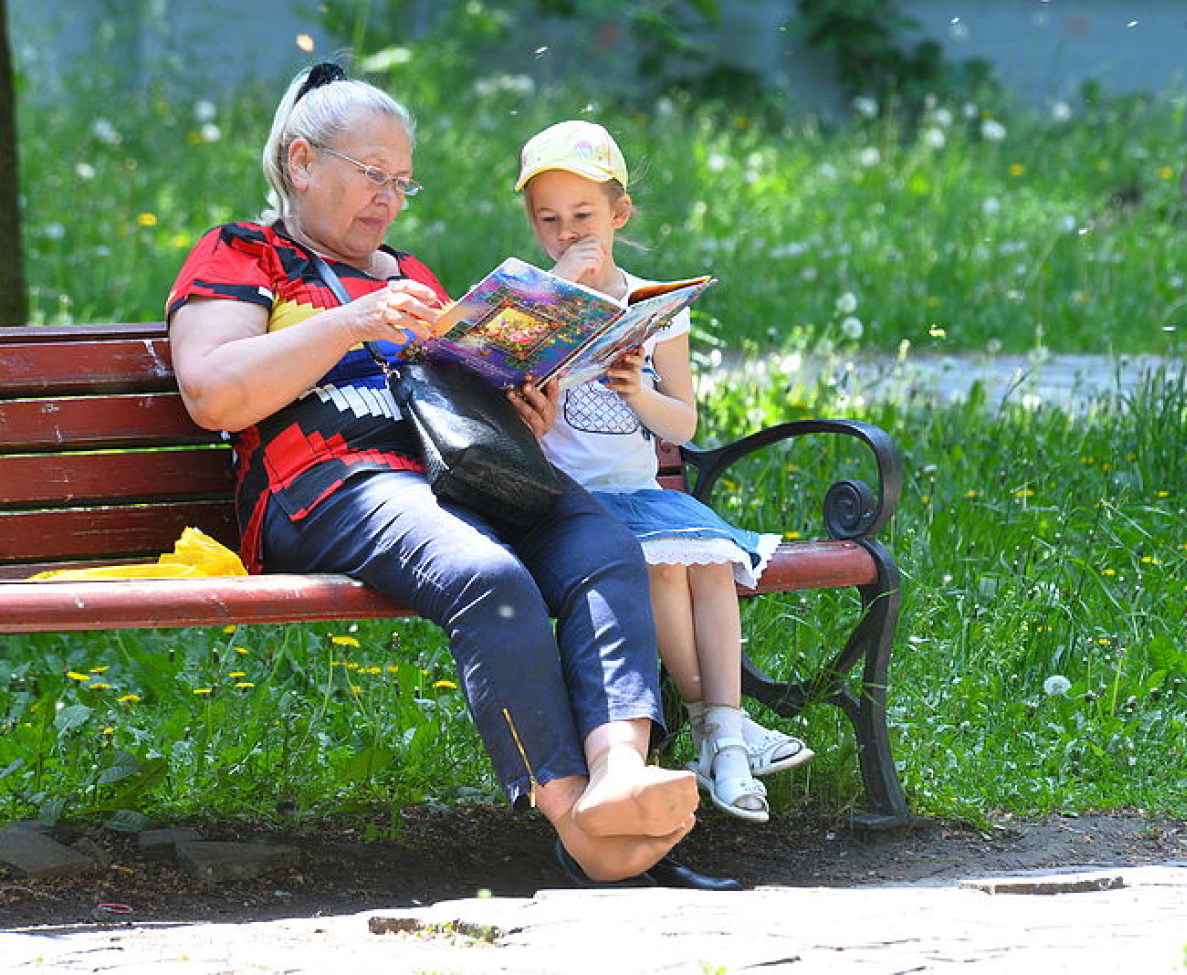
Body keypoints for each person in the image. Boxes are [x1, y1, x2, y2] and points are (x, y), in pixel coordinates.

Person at [164, 63, 726, 888]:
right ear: (301, 161)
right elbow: (213, 392)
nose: (389, 199)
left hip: (461, 473)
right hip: (332, 483)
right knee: (488, 575)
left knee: (601, 543)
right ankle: (581, 825)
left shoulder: (411, 272)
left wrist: (519, 407)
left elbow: (458, 389)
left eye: (401, 182)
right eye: (371, 176)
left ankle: (620, 774)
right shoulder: (243, 253)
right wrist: (352, 320)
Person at [514, 120, 815, 823]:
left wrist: (640, 395)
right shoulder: (531, 303)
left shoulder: (656, 306)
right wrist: (553, 308)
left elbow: (684, 423)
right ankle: (725, 734)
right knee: (660, 564)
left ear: (619, 214)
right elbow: (498, 382)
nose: (568, 234)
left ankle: (722, 727)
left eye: (584, 216)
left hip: (644, 497)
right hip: (574, 507)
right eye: (549, 220)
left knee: (705, 560)